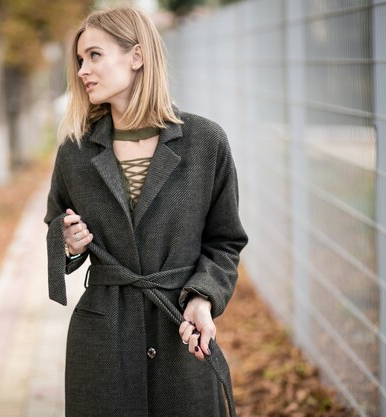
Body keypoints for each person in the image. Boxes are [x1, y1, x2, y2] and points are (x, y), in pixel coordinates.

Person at [45, 7, 248, 417]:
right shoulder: (75, 151)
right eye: (80, 60)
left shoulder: (205, 142)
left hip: (179, 329)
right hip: (101, 337)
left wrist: (203, 299)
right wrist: (68, 244)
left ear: (136, 57)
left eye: (95, 55)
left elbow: (225, 241)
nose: (83, 70)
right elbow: (56, 223)